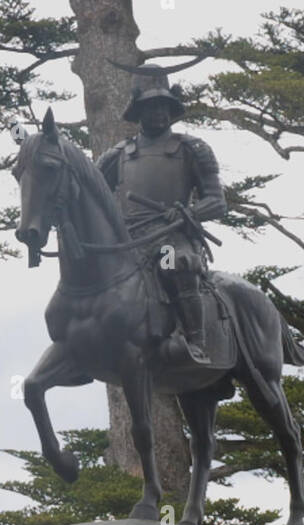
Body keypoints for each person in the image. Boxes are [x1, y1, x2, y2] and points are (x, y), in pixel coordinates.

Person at [97, 65, 226, 364]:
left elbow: (217, 202)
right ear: (138, 111)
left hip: (173, 236)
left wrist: (188, 212)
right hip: (129, 240)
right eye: (151, 107)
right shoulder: (117, 154)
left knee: (175, 264)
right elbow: (94, 195)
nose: (159, 113)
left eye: (165, 106)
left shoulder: (193, 148)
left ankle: (196, 341)